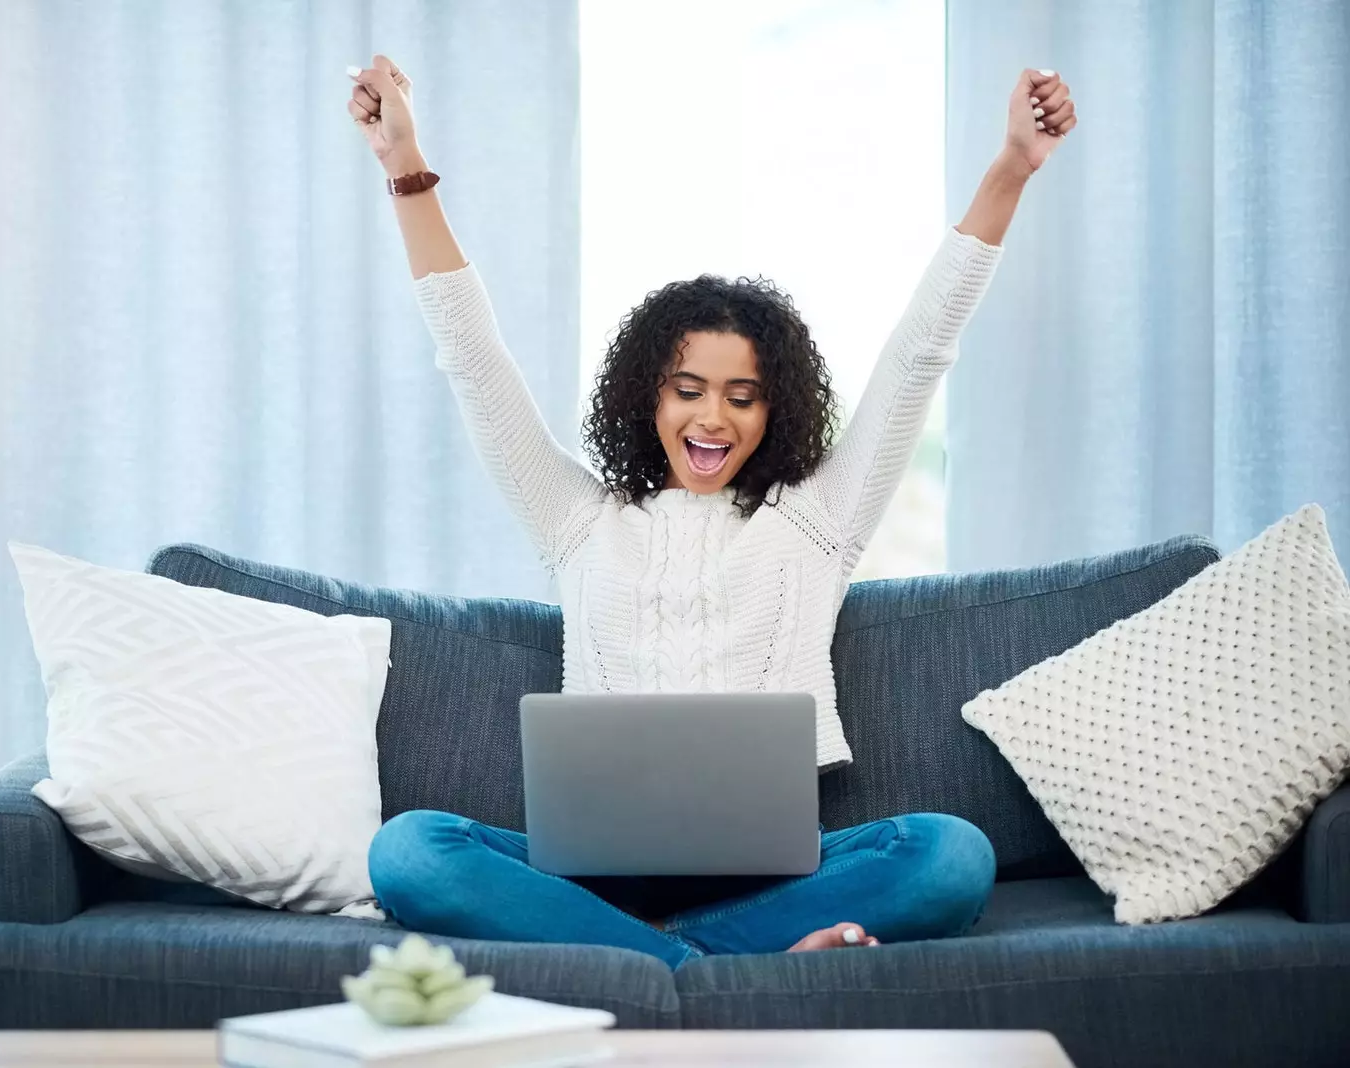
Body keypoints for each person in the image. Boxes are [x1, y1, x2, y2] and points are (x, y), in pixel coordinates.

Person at [345, 55, 1076, 968]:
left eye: (742, 394)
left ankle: (635, 960)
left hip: (775, 881)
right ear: (647, 398)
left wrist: (1010, 166)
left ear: (775, 410)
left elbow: (922, 353)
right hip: (588, 882)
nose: (712, 416)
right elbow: (473, 362)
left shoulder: (817, 520)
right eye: (688, 389)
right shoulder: (576, 519)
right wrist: (404, 169)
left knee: (951, 854)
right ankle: (717, 969)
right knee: (408, 849)